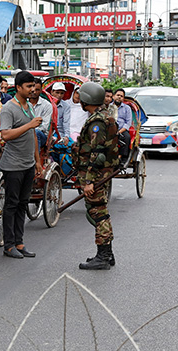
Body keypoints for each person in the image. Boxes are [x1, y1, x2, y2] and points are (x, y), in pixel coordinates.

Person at [73, 82, 119, 270]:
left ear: (87, 99)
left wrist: (90, 181)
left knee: (99, 214)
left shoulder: (97, 122)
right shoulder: (104, 115)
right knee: (98, 213)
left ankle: (104, 256)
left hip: (96, 175)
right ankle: (107, 254)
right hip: (101, 173)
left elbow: (97, 153)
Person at [0, 71, 42, 259]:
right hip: (13, 165)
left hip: (28, 164)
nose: (32, 90)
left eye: (33, 86)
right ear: (18, 88)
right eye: (29, 86)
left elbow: (32, 135)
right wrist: (29, 125)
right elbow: (5, 135)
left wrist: (38, 161)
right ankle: (8, 245)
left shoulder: (28, 107)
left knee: (23, 203)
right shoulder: (9, 108)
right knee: (12, 204)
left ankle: (19, 242)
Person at [29, 78, 54, 150]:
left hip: (41, 135)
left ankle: (35, 160)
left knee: (36, 133)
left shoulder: (47, 105)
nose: (34, 92)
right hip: (24, 132)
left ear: (41, 90)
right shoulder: (24, 102)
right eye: (33, 90)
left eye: (37, 90)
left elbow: (44, 127)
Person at [113, 88, 132, 154]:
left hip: (122, 130)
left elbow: (128, 123)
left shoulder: (127, 108)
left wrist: (119, 132)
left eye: (121, 96)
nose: (119, 97)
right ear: (114, 96)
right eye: (118, 95)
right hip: (110, 129)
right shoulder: (109, 107)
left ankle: (124, 157)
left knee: (127, 137)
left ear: (123, 99)